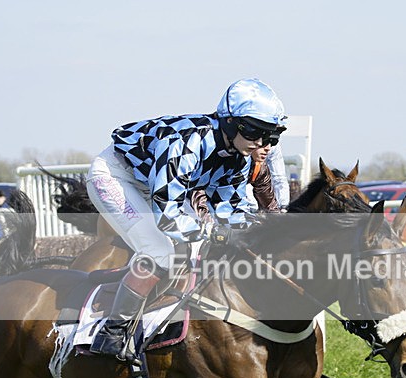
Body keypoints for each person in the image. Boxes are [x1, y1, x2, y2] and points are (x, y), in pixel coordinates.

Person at [87, 78, 287, 356]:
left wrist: (261, 233)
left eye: (270, 137)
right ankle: (112, 332)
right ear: (231, 122)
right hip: (115, 176)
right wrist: (214, 232)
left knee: (197, 249)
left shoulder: (237, 156)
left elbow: (232, 210)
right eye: (255, 132)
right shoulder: (188, 142)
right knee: (159, 250)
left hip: (154, 183)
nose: (261, 144)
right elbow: (168, 215)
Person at [246, 144, 289, 212]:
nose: (268, 148)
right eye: (265, 142)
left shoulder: (261, 169)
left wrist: (281, 209)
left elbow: (278, 178)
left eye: (272, 143)